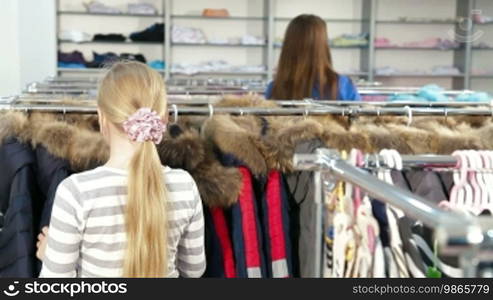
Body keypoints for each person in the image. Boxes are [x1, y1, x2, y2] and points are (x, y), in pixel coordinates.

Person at [36, 61, 206, 278]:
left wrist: (51, 256)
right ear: (162, 119)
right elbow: (194, 271)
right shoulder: (185, 185)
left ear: (102, 117)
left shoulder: (76, 192)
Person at [265, 14, 361, 101]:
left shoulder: (275, 88)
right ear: (323, 46)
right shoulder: (342, 85)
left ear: (288, 48)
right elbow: (360, 118)